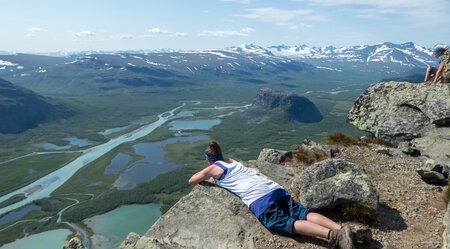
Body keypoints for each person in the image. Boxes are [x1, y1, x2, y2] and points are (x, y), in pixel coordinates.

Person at [188, 141, 355, 249]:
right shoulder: (231, 161)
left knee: (284, 223)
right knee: (302, 213)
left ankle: (335, 237)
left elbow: (192, 180)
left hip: (260, 199)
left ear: (208, 159)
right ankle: (341, 229)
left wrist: (211, 175)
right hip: (274, 189)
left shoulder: (213, 167)